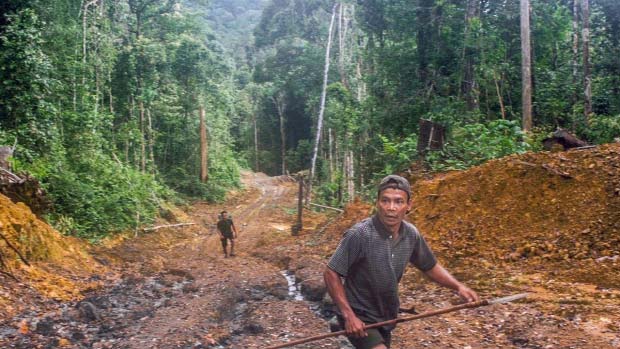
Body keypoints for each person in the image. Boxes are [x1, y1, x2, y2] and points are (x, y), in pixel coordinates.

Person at [324, 175, 479, 349]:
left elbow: (429, 265)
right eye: (385, 201)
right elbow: (332, 272)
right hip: (359, 315)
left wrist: (459, 287)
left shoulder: (410, 234)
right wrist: (348, 316)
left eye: (398, 202)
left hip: (385, 316)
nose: (391, 208)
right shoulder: (360, 234)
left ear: (408, 206)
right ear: (377, 203)